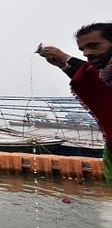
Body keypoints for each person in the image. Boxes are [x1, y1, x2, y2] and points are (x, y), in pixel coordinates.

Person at [39, 22, 112, 187]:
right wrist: (63, 65)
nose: (87, 53)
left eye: (94, 46)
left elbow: (94, 78)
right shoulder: (106, 74)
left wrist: (66, 58)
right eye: (83, 49)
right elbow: (93, 81)